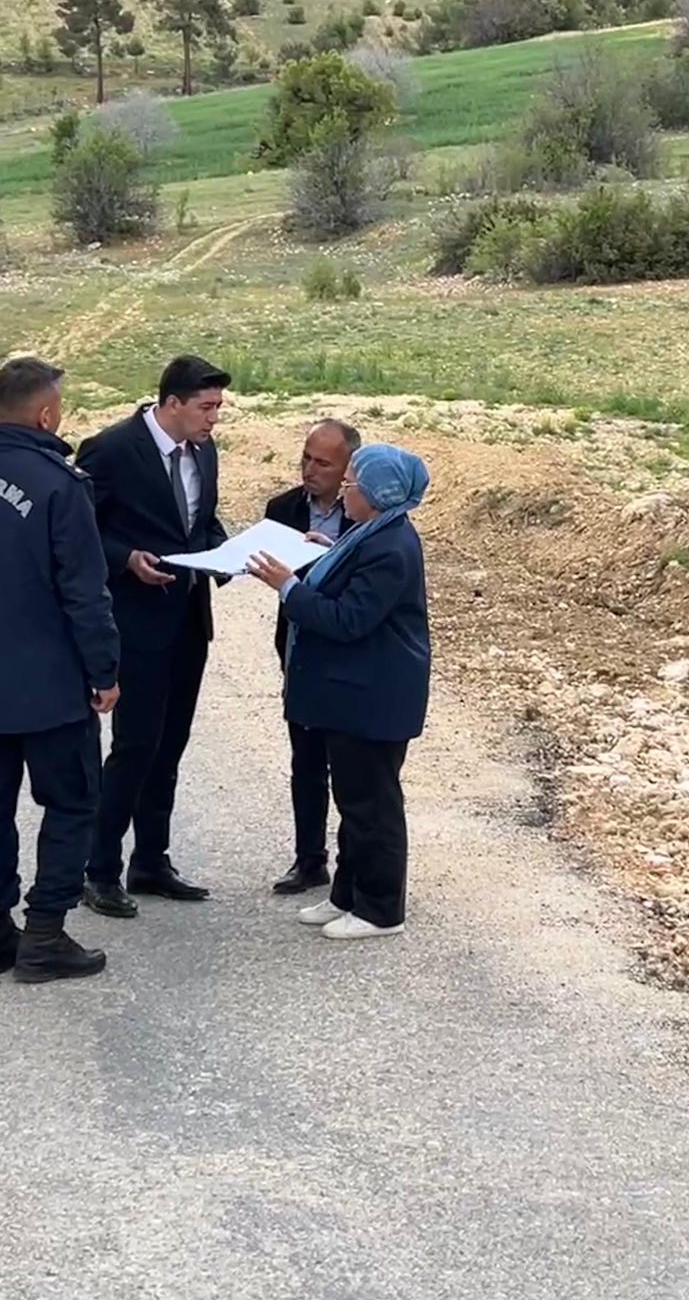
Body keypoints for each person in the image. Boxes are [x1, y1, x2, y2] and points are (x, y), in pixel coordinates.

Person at [0, 357, 120, 983]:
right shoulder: (60, 484)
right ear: (46, 414)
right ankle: (44, 934)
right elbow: (84, 593)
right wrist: (104, 671)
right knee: (71, 804)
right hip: (51, 685)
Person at [247, 444, 431, 941]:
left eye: (351, 484)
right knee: (353, 802)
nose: (343, 492)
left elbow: (348, 619)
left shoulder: (391, 548)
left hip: (374, 698)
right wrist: (323, 554)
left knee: (373, 808)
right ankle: (347, 896)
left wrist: (288, 586)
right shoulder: (370, 532)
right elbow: (349, 577)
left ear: (376, 494)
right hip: (354, 697)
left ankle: (381, 910)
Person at [76, 355, 230, 918]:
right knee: (135, 745)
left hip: (188, 619)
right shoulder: (111, 450)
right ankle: (98, 869)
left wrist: (232, 552)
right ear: (171, 403)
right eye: (206, 407)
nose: (214, 418)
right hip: (134, 624)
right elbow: (77, 529)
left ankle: (151, 860)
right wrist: (125, 559)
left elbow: (200, 524)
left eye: (218, 407)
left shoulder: (205, 451)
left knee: (170, 745)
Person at [260, 418, 361, 895]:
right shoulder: (281, 509)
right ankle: (309, 860)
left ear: (348, 470)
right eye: (306, 458)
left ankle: (355, 866)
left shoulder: (366, 515)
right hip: (299, 649)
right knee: (306, 759)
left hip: (348, 653)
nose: (309, 470)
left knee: (351, 764)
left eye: (323, 463)